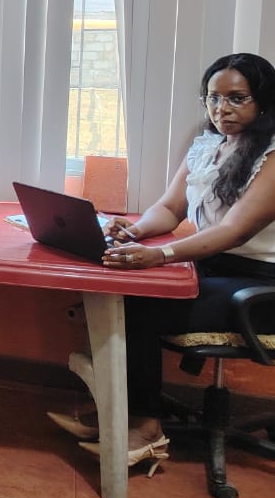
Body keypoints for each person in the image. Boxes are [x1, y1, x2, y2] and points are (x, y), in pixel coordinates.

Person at [49, 53, 275, 471]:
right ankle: (121, 414)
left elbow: (234, 232)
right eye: (213, 98)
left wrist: (160, 254)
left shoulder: (272, 156)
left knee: (139, 304)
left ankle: (146, 427)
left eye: (236, 98)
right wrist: (135, 231)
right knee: (118, 289)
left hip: (256, 285)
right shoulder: (208, 145)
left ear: (263, 101)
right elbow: (170, 208)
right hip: (211, 266)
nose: (221, 109)